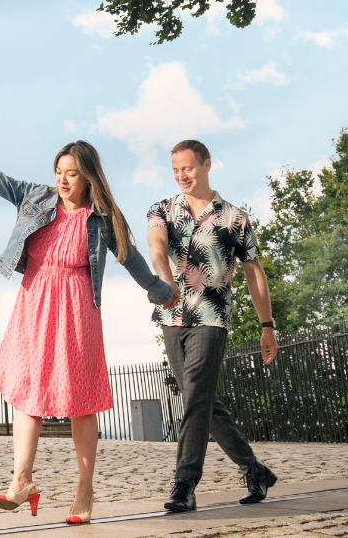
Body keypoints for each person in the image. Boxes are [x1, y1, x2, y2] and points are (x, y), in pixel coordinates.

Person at [0, 139, 175, 523]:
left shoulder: (100, 219)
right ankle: (22, 481)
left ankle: (84, 490)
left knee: (80, 401)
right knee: (27, 393)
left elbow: (131, 259)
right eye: (59, 172)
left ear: (87, 177)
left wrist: (160, 291)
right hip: (34, 302)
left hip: (77, 308)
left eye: (72, 174)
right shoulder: (35, 197)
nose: (63, 180)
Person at [148, 140, 279, 512]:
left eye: (188, 168)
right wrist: (164, 279)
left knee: (196, 400)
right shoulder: (162, 209)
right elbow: (157, 247)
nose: (181, 176)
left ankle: (184, 484)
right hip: (172, 315)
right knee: (198, 400)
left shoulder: (234, 218)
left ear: (206, 164)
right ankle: (255, 470)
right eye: (175, 170)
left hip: (212, 315)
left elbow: (255, 274)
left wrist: (266, 325)